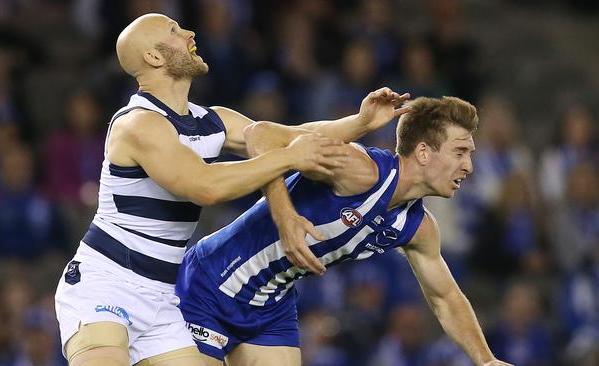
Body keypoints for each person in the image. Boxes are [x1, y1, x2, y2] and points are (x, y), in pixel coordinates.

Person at [54, 13, 408, 366]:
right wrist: (287, 158)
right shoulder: (138, 123)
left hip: (162, 297)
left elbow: (292, 135)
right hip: (106, 282)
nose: (191, 32)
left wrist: (360, 122)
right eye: (175, 31)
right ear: (154, 57)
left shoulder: (211, 119)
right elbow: (205, 187)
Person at [176, 96, 513, 366]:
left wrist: (485, 360)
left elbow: (446, 298)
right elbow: (261, 134)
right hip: (213, 282)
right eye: (460, 152)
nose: (469, 165)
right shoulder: (359, 169)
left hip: (270, 304)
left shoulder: (419, 227)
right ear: (423, 151)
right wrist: (284, 214)